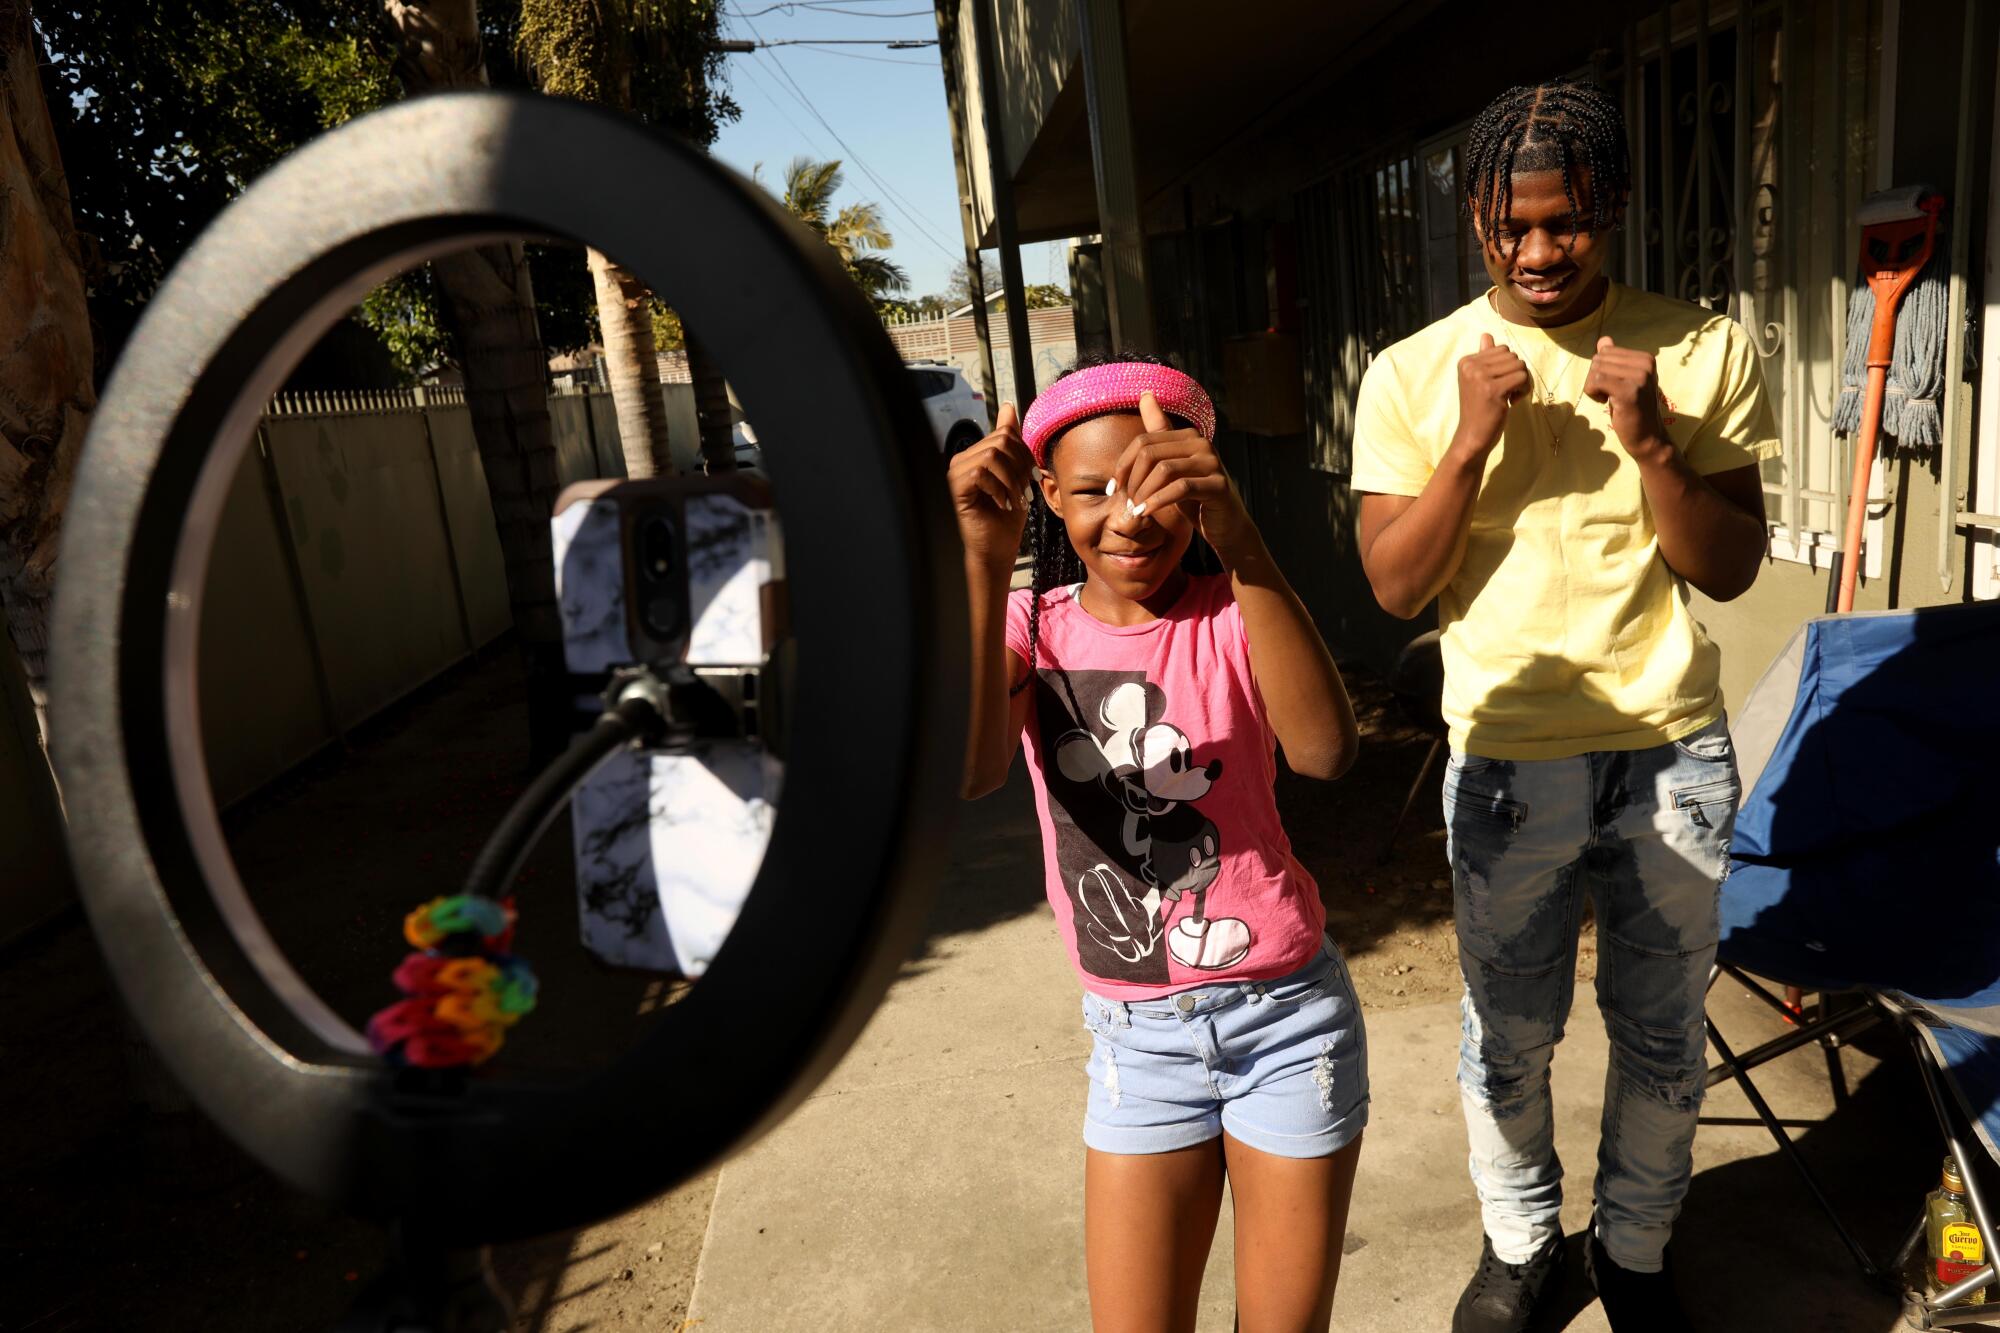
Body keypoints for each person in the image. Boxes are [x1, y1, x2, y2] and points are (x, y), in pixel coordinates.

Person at [1350, 80, 1777, 1333]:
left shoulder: (1697, 350)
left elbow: (1727, 565)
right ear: (1475, 217)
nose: (1538, 252)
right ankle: (1522, 1243)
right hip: (1503, 758)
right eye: (1509, 225)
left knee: (1658, 1032)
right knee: (1506, 1036)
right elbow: (1391, 583)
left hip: (1668, 751)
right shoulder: (1414, 372)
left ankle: (1634, 1252)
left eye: (1566, 223)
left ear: (1614, 209)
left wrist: (1652, 445)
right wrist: (1466, 445)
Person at [951, 354, 1368, 1331]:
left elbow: (1322, 750)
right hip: (1138, 1047)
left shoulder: (1235, 614)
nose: (1129, 517)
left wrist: (1244, 542)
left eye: (1158, 488)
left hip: (1286, 1022)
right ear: (1046, 494)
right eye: (1092, 490)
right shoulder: (1028, 627)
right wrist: (977, 556)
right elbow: (969, 769)